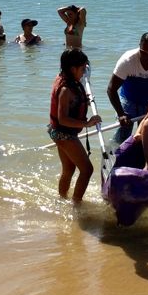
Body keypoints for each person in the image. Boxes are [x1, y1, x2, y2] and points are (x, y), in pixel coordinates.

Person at [47, 49, 102, 203]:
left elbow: (74, 101)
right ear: (73, 69)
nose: (84, 72)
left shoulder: (63, 77)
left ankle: (62, 199)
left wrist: (84, 98)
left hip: (58, 132)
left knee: (69, 169)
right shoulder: (65, 90)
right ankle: (76, 204)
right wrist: (87, 123)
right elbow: (62, 118)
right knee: (87, 170)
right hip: (64, 134)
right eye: (82, 69)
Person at [107, 32, 148, 142]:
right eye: (143, 52)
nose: (147, 57)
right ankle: (114, 155)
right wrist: (121, 114)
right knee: (121, 137)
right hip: (128, 101)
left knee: (147, 135)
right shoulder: (127, 60)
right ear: (139, 46)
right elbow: (111, 89)